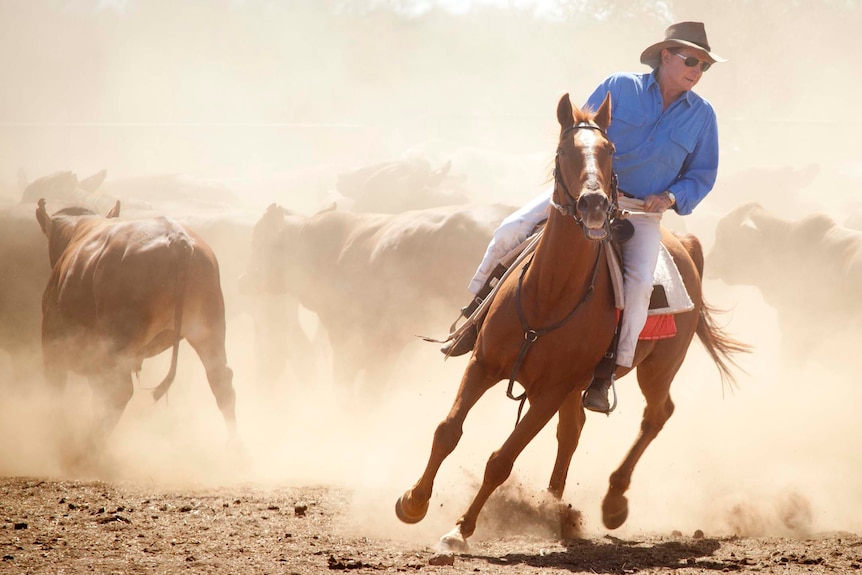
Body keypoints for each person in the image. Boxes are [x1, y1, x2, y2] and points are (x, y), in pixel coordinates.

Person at [441, 21, 726, 414]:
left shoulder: (703, 116)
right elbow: (577, 132)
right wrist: (579, 182)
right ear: (666, 56)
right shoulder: (619, 87)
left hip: (639, 210)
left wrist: (674, 196)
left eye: (704, 66)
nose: (697, 70)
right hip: (583, 194)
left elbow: (702, 173)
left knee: (641, 282)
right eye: (691, 60)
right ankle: (472, 321)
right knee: (509, 230)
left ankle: (609, 369)